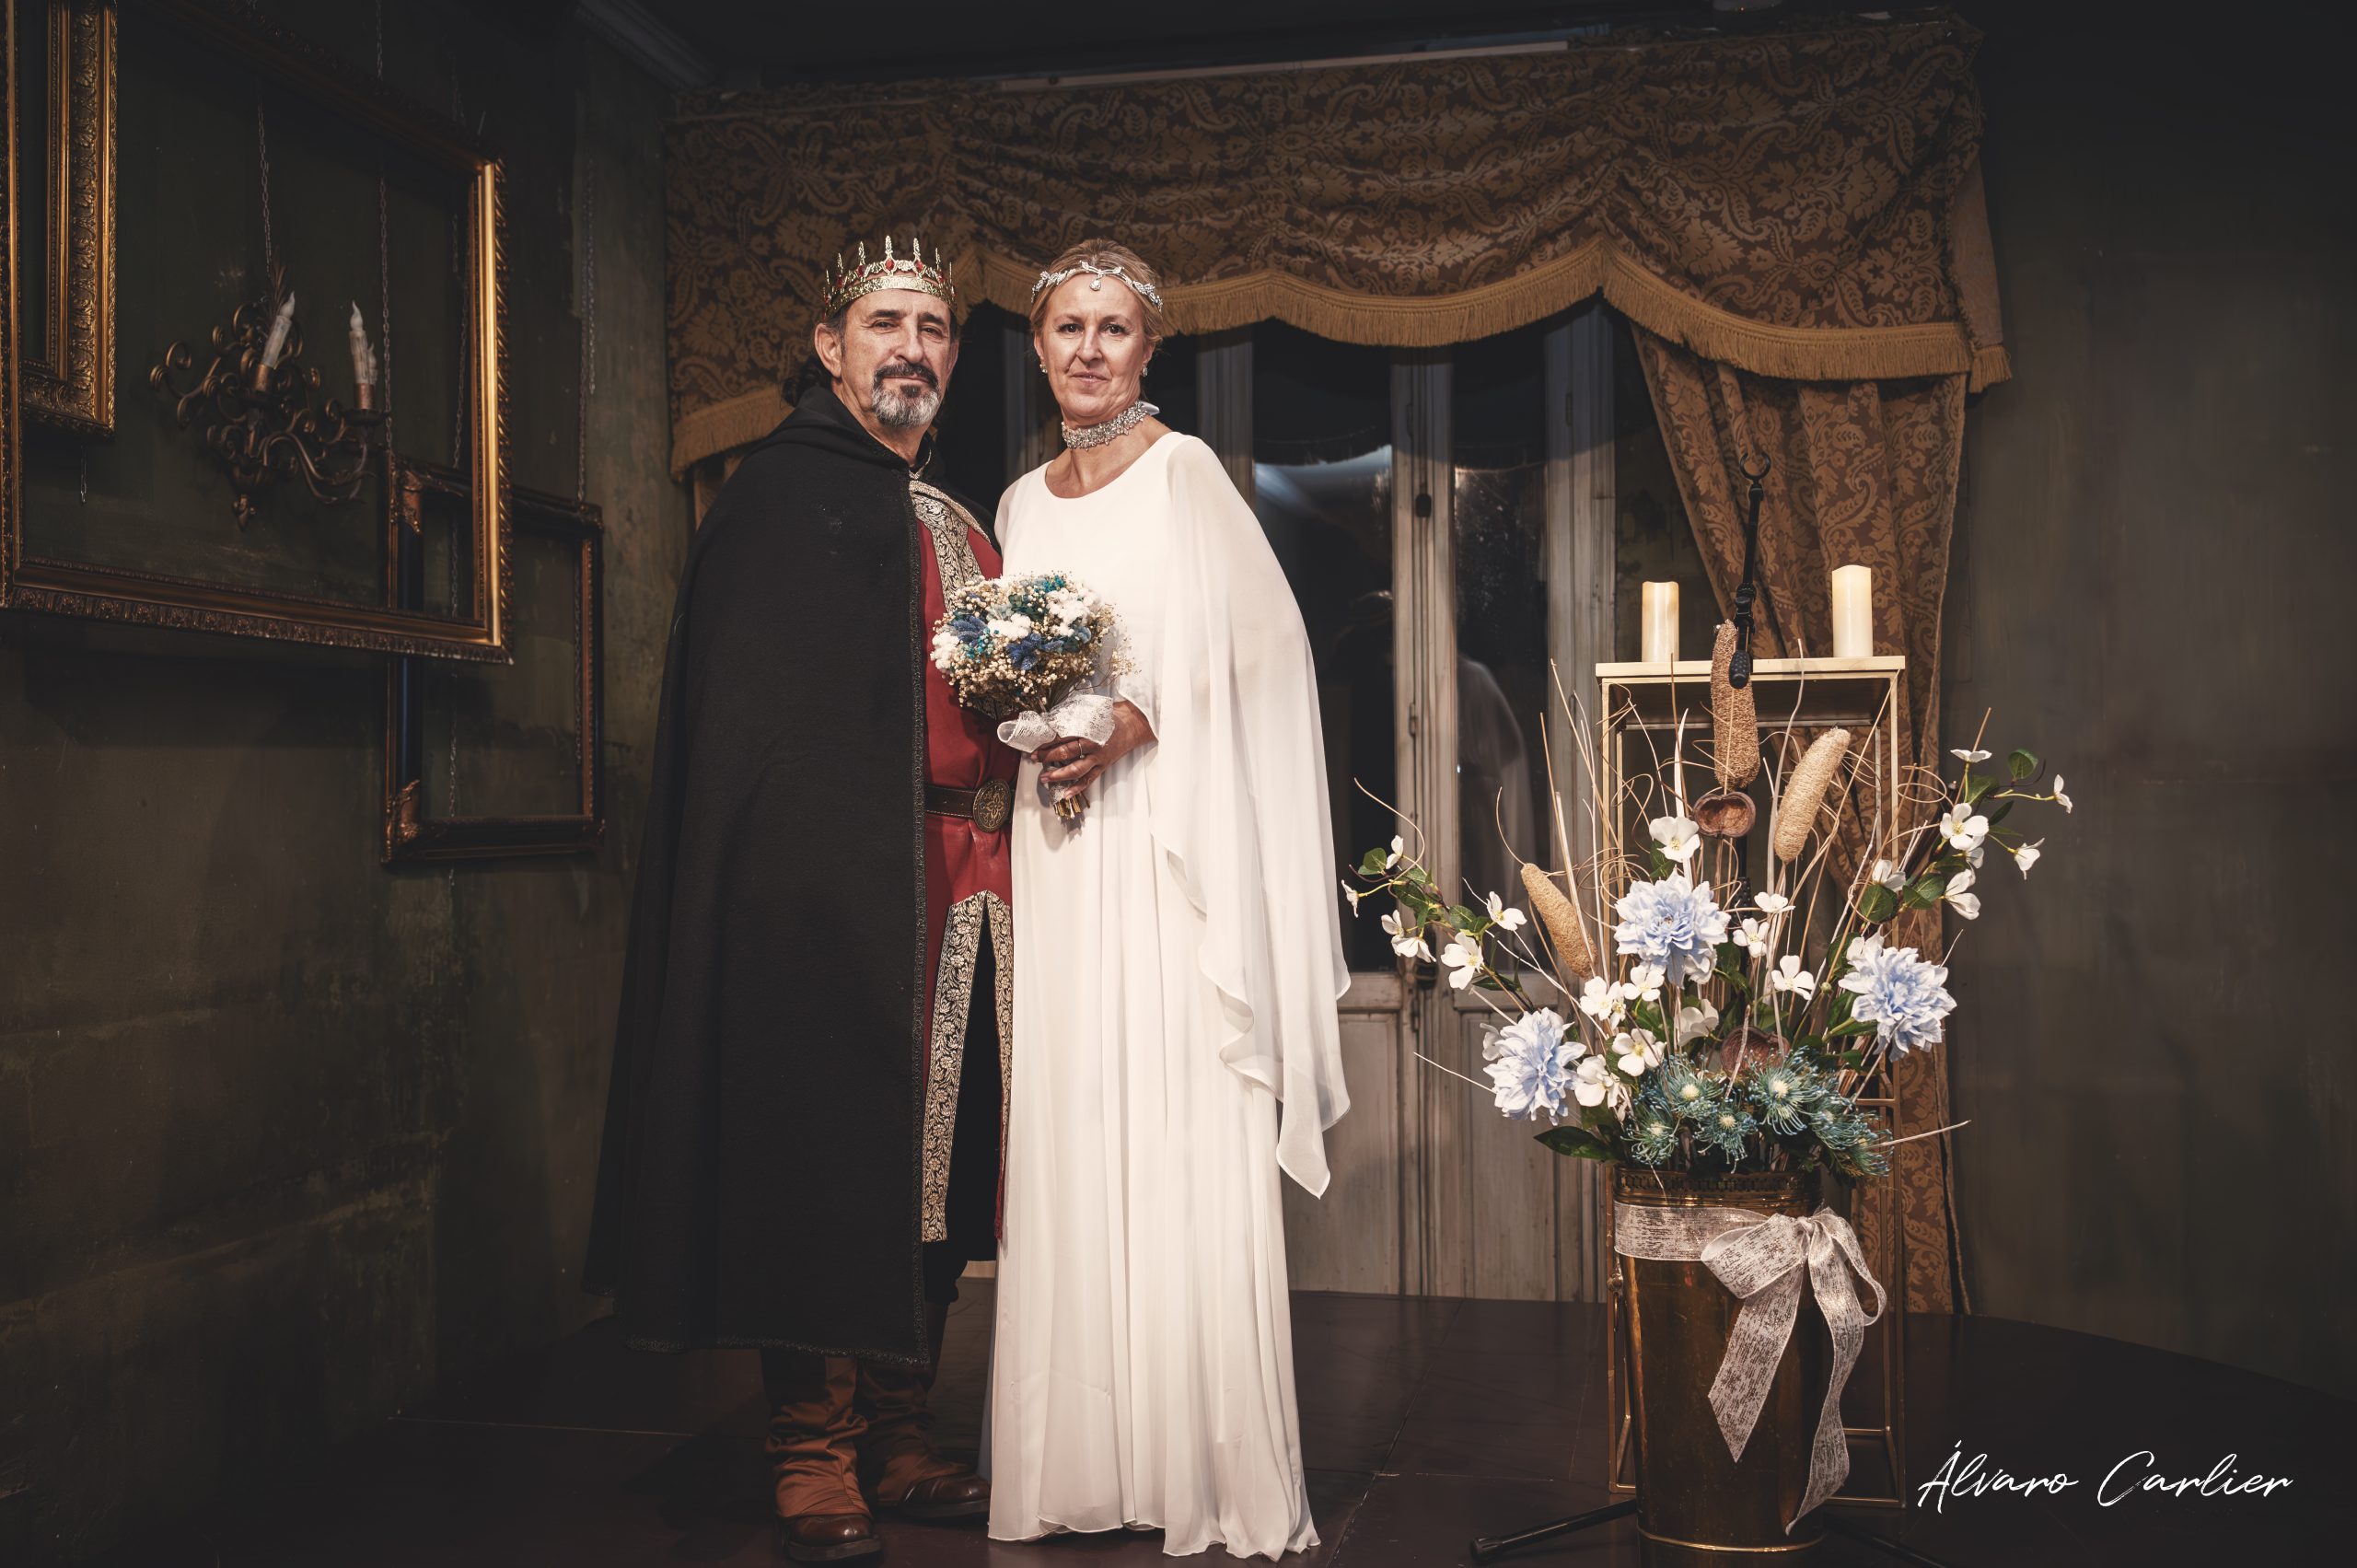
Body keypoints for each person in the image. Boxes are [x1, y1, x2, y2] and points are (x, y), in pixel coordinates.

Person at [584, 236, 1016, 1563]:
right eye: (887, 322)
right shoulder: (776, 504)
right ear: (830, 348)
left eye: (935, 328)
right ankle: (811, 1447)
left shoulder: (958, 519)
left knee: (943, 1172)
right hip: (823, 895)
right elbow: (758, 740)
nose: (914, 349)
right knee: (819, 1162)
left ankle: (902, 1426)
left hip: (971, 892)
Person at [984, 241, 1351, 1559]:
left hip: (1162, 843)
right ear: (1036, 348)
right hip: (1061, 847)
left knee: (1170, 1118)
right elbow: (1003, 653)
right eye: (1068, 328)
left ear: (1152, 352)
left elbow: (1266, 659)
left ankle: (1206, 1466)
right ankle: (1079, 1461)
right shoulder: (1020, 502)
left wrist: (1136, 715)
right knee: (1074, 1123)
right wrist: (1026, 720)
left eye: (1115, 330)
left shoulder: (1187, 473)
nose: (1090, 349)